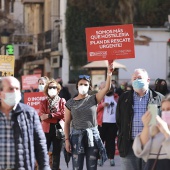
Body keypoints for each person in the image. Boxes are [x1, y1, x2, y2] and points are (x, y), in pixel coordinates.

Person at [64, 62, 113, 170]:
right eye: (81, 84)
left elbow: (106, 89)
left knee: (92, 167)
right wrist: (67, 140)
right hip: (76, 138)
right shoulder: (70, 103)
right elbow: (67, 123)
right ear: (77, 86)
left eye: (85, 84)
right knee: (77, 167)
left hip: (92, 137)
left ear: (89, 86)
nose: (83, 86)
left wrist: (109, 73)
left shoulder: (93, 99)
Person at [116, 68, 164, 170]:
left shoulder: (159, 98)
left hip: (152, 146)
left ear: (148, 80)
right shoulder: (124, 98)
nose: (137, 80)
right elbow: (119, 121)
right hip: (129, 146)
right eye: (134, 78)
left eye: (140, 78)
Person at [0, 76, 50, 170]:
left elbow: (40, 144)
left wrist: (45, 167)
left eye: (17, 89)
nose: (14, 92)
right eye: (10, 89)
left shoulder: (29, 113)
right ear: (1, 92)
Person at [133, 94, 170, 170]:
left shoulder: (164, 131)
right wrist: (146, 127)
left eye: (169, 109)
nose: (166, 112)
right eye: (163, 109)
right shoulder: (156, 131)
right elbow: (139, 151)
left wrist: (167, 133)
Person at [39, 79, 66, 170]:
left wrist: (50, 115)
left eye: (54, 87)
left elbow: (64, 113)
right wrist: (56, 116)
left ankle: (55, 168)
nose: (52, 89)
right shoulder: (44, 102)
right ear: (47, 89)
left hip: (58, 129)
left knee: (56, 153)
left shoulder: (62, 101)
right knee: (44, 151)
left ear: (58, 89)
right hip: (46, 129)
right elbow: (42, 116)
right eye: (50, 87)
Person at [97, 83, 119, 166]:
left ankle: (111, 158)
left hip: (113, 123)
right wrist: (101, 105)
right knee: (100, 141)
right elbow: (94, 109)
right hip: (102, 123)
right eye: (103, 88)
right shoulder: (99, 97)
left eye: (108, 88)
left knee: (111, 142)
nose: (106, 89)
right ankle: (100, 158)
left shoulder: (116, 97)